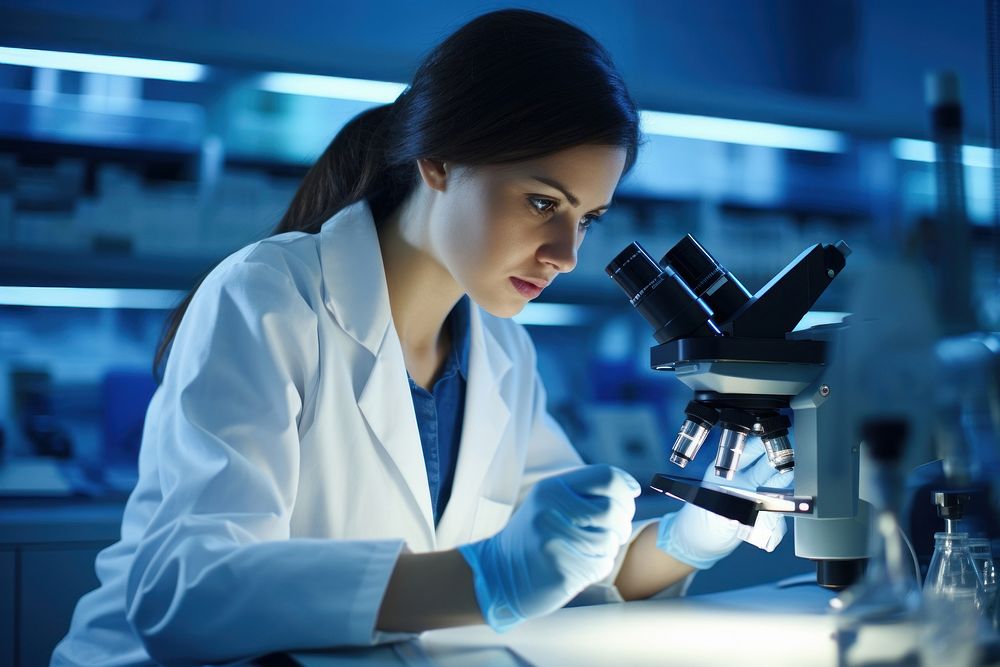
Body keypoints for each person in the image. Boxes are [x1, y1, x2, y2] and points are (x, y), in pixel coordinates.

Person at [52, 9, 790, 666]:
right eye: (543, 202)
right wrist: (485, 578)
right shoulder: (269, 298)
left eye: (588, 218)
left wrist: (694, 532)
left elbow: (575, 573)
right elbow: (186, 594)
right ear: (438, 159)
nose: (567, 252)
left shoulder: (500, 353)